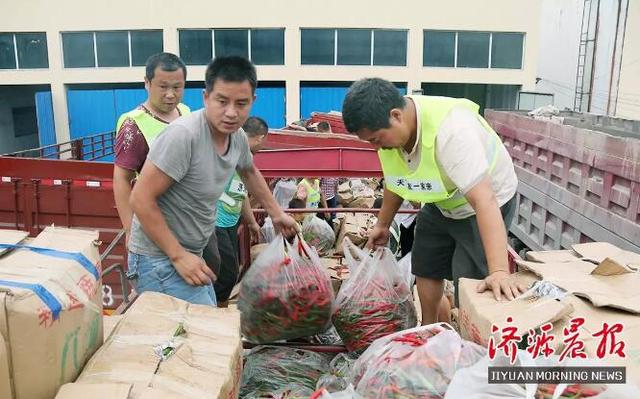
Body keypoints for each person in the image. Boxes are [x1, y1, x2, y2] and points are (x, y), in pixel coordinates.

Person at [342, 77, 524, 325]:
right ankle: (428, 328)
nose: (376, 148)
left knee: (469, 280)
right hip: (442, 200)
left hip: (483, 203)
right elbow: (395, 182)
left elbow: (485, 201)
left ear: (396, 116)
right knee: (426, 263)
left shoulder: (451, 131)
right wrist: (382, 225)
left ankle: (469, 336)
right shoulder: (391, 140)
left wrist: (500, 271)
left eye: (376, 139)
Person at [128, 56, 298, 306]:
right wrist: (177, 256)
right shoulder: (184, 136)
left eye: (241, 103)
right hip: (158, 258)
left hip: (192, 252)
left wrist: (276, 213)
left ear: (253, 102)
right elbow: (140, 199)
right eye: (222, 101)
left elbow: (249, 172)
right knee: (201, 335)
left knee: (209, 321)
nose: (231, 113)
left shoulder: (237, 136)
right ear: (206, 97)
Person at [113, 52, 190, 248]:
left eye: (177, 87)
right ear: (147, 83)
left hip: (190, 220)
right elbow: (122, 178)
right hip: (157, 222)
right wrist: (130, 230)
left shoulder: (185, 112)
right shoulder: (133, 125)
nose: (171, 94)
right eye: (163, 87)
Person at [207, 116, 268, 307]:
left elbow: (240, 195)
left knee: (229, 272)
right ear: (260, 138)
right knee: (227, 275)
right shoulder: (226, 155)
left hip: (231, 223)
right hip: (215, 224)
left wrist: (251, 223)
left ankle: (219, 309)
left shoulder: (242, 160)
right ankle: (214, 312)